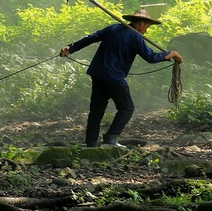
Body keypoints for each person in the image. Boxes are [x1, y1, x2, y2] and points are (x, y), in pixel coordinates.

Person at [60, 9, 182, 148]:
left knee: (97, 110)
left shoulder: (113, 28)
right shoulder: (135, 36)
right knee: (127, 108)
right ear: (141, 23)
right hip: (114, 77)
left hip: (98, 73)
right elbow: (151, 57)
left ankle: (91, 142)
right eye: (147, 27)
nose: (146, 31)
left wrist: (70, 48)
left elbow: (90, 38)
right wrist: (171, 54)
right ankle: (111, 138)